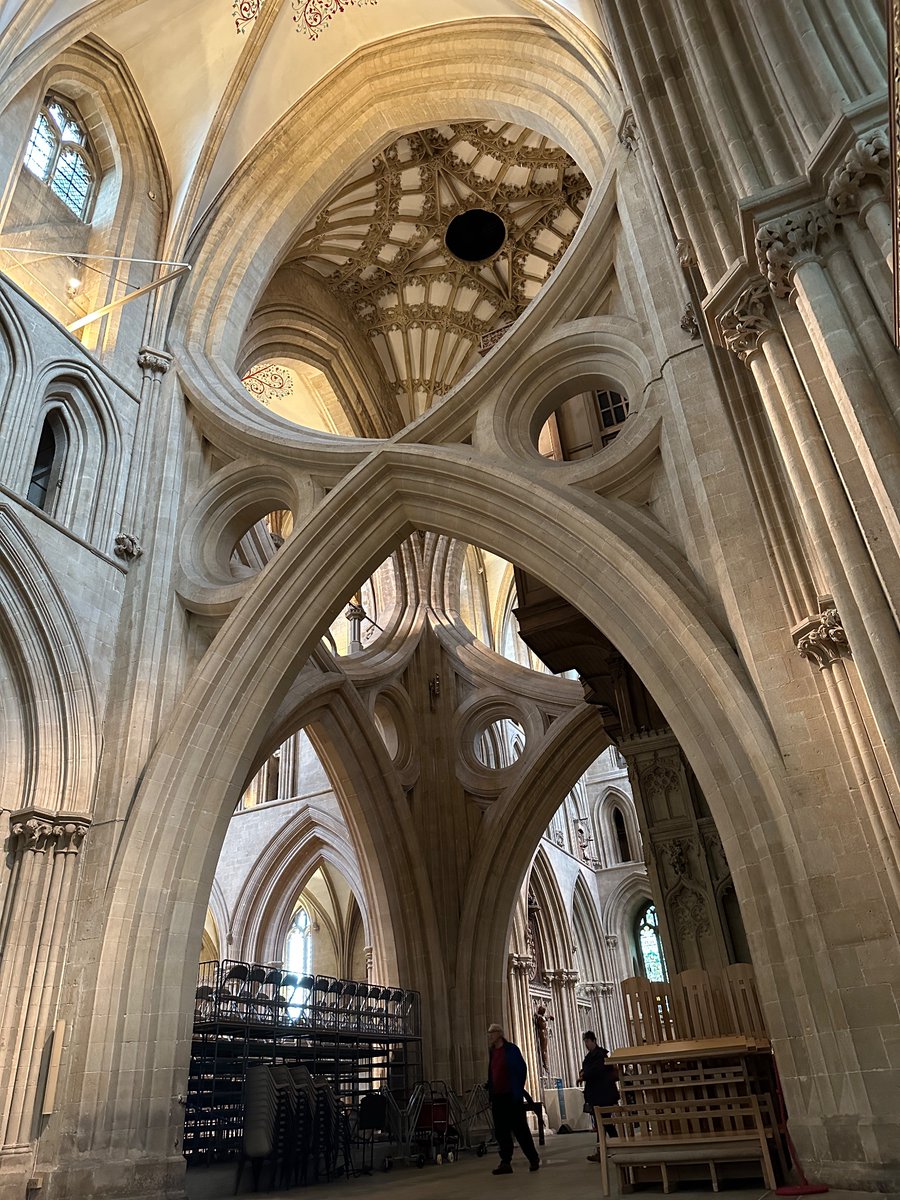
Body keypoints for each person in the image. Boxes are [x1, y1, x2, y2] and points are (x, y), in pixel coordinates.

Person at [486, 1022, 541, 1175]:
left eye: (492, 1032)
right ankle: (505, 1162)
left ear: (499, 1033)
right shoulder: (492, 1051)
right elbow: (492, 1072)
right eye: (489, 1033)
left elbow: (521, 1068)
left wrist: (516, 1087)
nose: (489, 1035)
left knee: (520, 1129)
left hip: (511, 1096)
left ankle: (533, 1158)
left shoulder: (511, 1050)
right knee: (501, 1131)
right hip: (498, 1097)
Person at [578, 1030, 619, 1163]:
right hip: (597, 1094)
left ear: (594, 1041)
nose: (586, 1044)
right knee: (601, 1123)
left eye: (587, 1042)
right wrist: (583, 1073)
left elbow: (596, 1070)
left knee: (604, 1123)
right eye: (585, 1042)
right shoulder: (590, 1056)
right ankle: (603, 1151)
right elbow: (586, 1069)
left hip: (603, 1094)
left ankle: (615, 1147)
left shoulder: (601, 1054)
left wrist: (584, 1074)